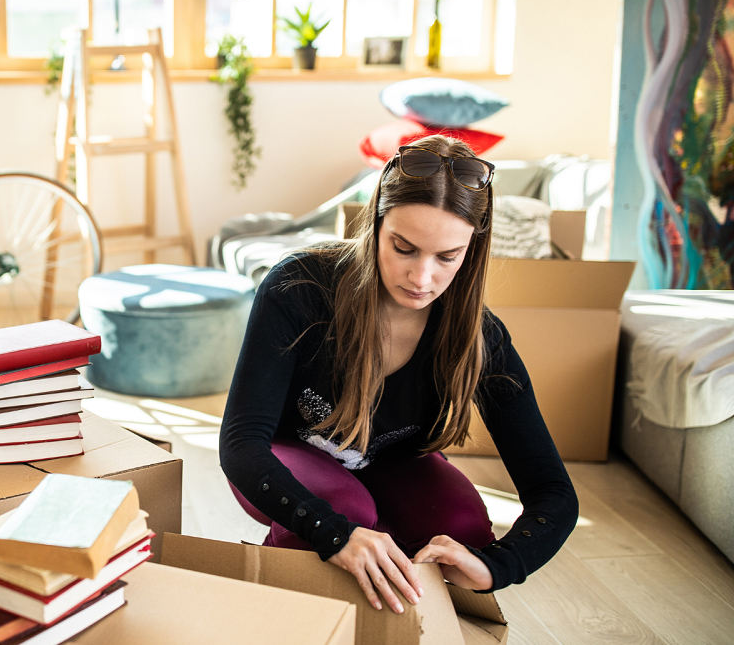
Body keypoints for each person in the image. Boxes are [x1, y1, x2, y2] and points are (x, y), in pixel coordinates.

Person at [219, 135, 578, 614]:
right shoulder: (298, 286)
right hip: (283, 452)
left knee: (462, 527)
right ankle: (285, 599)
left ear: (472, 248)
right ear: (376, 223)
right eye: (404, 248)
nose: (421, 277)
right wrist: (333, 533)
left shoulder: (481, 338)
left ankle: (373, 558)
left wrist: (498, 565)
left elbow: (553, 492)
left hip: (387, 462)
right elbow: (240, 444)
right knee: (348, 511)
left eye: (447, 257)